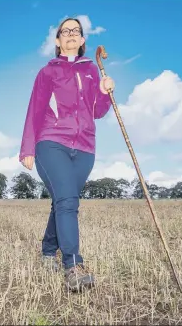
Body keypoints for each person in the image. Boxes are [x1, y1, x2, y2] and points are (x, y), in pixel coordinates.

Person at [19, 17, 115, 291]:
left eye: (76, 31)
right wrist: (27, 147)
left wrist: (105, 92)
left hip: (85, 147)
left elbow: (97, 112)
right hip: (51, 142)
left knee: (63, 201)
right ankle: (73, 265)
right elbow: (34, 110)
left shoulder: (90, 72)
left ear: (83, 40)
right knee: (68, 201)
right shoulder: (47, 72)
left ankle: (49, 250)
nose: (71, 34)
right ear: (58, 40)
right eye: (65, 31)